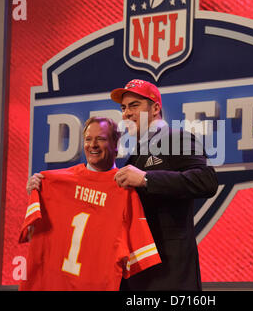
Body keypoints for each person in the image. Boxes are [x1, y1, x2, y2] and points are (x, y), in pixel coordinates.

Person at [27, 80, 219, 290]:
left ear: (155, 108)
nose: (126, 113)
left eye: (134, 105)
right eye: (124, 108)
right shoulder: (133, 160)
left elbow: (206, 181)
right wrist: (44, 187)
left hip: (171, 276)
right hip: (138, 278)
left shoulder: (177, 138)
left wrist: (146, 179)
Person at [20, 117, 161, 290]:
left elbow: (139, 262)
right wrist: (35, 193)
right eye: (88, 139)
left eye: (100, 139)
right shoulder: (49, 182)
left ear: (116, 146)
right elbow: (28, 234)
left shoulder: (125, 192)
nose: (92, 144)